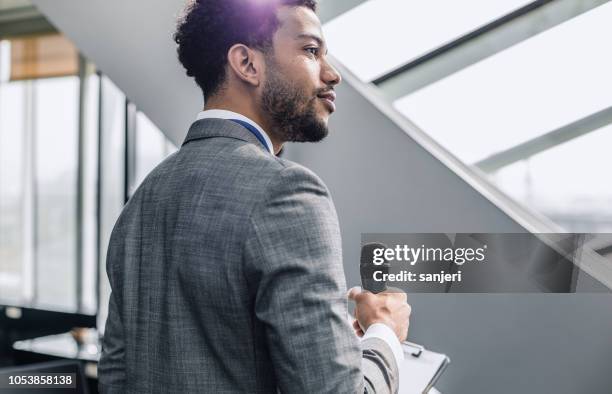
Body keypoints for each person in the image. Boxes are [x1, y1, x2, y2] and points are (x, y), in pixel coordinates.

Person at [98, 0, 411, 392]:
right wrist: (384, 334)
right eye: (311, 51)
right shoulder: (287, 192)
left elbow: (116, 378)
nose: (332, 75)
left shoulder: (144, 198)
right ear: (247, 64)